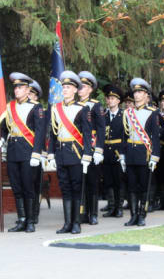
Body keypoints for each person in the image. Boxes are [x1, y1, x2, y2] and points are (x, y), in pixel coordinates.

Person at [47, 71, 92, 234]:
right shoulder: (55, 108)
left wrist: (87, 155)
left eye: (68, 87)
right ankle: (67, 223)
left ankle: (76, 223)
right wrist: (50, 153)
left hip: (76, 153)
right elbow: (52, 133)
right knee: (64, 189)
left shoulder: (83, 109)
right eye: (63, 87)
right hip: (61, 153)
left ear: (75, 90)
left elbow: (87, 134)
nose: (64, 90)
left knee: (76, 188)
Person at [0, 73, 45, 233]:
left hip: (28, 152)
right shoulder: (10, 107)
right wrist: (2, 139)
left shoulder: (36, 107)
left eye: (20, 87)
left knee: (28, 187)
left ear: (27, 90)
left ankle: (31, 220)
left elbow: (40, 132)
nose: (17, 90)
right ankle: (22, 219)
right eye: (16, 87)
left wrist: (36, 153)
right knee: (16, 187)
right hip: (13, 151)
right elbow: (4, 127)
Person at [121, 78, 160, 226]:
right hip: (130, 153)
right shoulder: (127, 113)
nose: (136, 95)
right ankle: (133, 215)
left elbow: (155, 137)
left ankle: (142, 215)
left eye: (140, 92)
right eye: (135, 92)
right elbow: (124, 136)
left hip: (145, 153)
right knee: (131, 186)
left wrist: (155, 156)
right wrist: (123, 155)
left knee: (143, 186)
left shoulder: (152, 112)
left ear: (146, 95)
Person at [77, 71, 105, 225]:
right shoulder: (74, 105)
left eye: (84, 86)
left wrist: (99, 149)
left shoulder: (95, 105)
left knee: (92, 182)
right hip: (77, 146)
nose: (81, 89)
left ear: (90, 89)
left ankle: (93, 213)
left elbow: (101, 128)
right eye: (79, 86)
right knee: (80, 180)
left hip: (92, 147)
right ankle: (82, 212)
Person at [101, 84, 125, 218]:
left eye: (113, 98)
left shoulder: (123, 115)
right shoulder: (103, 115)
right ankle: (111, 206)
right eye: (108, 98)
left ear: (118, 101)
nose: (110, 101)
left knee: (119, 181)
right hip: (106, 152)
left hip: (117, 152)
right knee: (108, 181)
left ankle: (119, 207)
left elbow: (124, 136)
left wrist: (122, 154)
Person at [28, 79, 46, 225]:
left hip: (37, 152)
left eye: (32, 94)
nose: (29, 96)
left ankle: (35, 213)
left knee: (35, 184)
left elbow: (42, 133)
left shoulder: (39, 111)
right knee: (27, 185)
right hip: (25, 151)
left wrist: (42, 153)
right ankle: (28, 213)